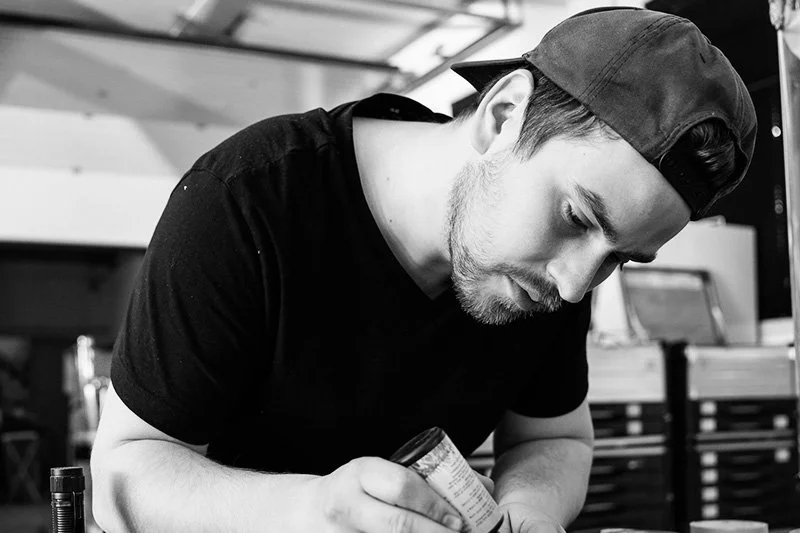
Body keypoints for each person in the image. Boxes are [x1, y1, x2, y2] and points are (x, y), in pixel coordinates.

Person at [90, 6, 756, 533]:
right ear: (502, 116)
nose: (575, 284)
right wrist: (308, 512)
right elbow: (122, 474)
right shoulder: (247, 203)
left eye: (619, 257)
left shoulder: (552, 269)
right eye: (579, 217)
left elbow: (557, 437)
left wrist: (529, 508)